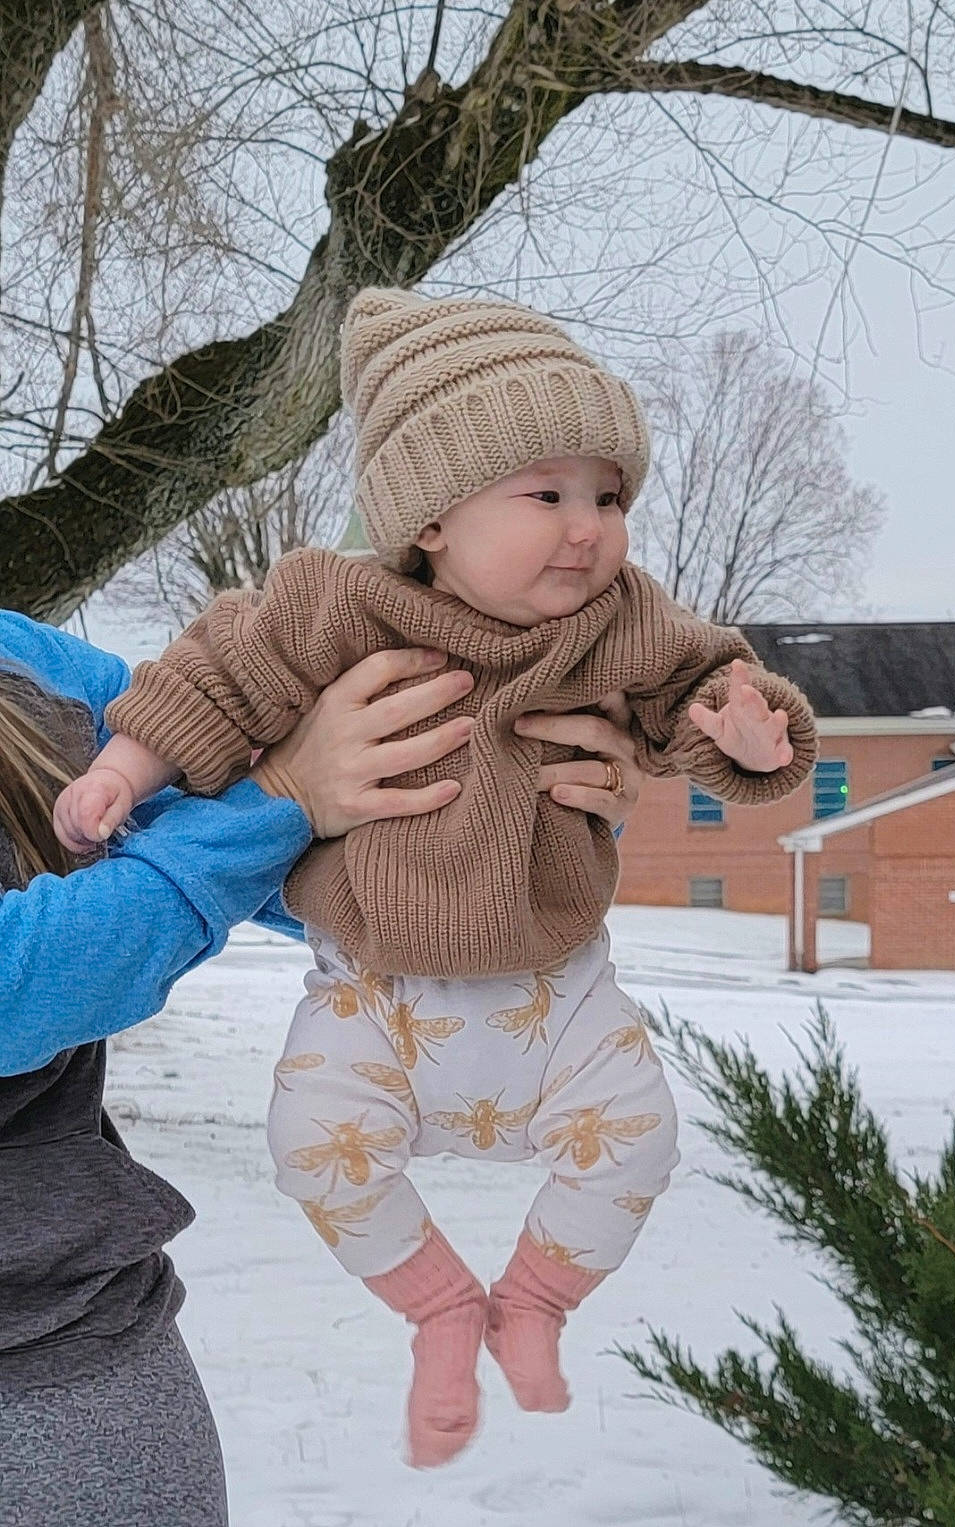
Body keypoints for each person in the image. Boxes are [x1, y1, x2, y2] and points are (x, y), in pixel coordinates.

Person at [57, 288, 818, 1469]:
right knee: (312, 1139)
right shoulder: (333, 604)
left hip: (555, 987)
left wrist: (750, 734)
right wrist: (120, 769)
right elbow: (214, 678)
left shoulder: (621, 622)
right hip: (372, 989)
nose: (589, 527)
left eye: (608, 496)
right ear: (429, 520)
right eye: (548, 494)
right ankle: (440, 1310)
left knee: (639, 1136)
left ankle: (536, 1302)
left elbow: (701, 692)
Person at [0, 608, 642, 1527]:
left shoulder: (24, 664)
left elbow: (302, 843)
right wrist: (283, 796)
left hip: (79, 1366)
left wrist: (521, 808)